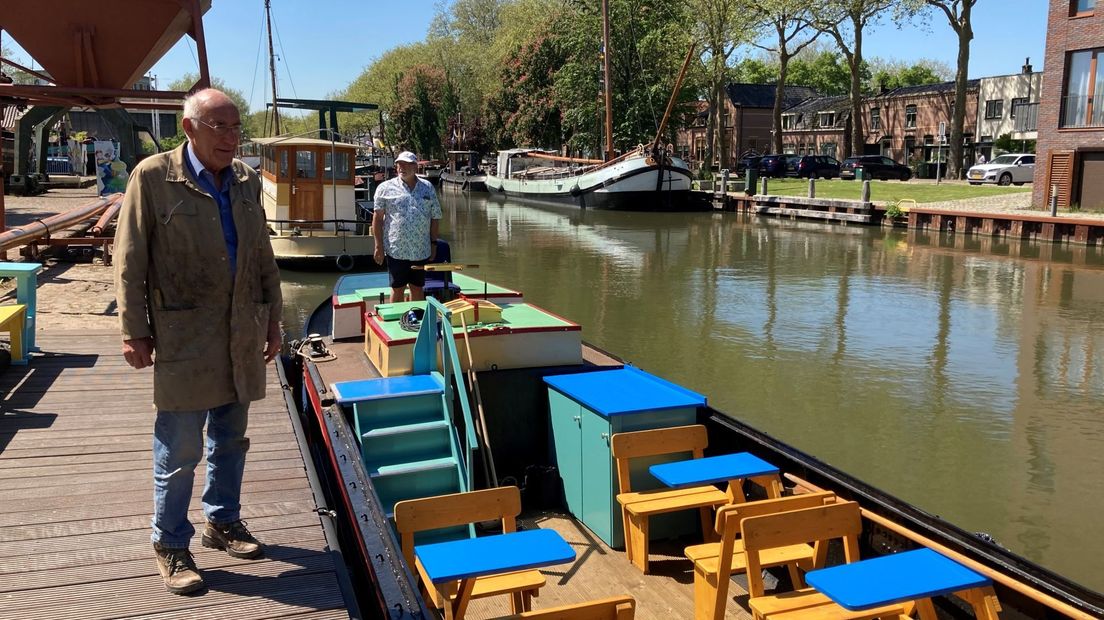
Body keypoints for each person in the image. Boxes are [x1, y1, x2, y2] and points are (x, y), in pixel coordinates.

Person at [113, 88, 283, 595]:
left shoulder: (248, 180)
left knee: (231, 439)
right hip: (184, 335)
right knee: (180, 448)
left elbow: (263, 257)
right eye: (220, 127)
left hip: (241, 332)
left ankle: (222, 522)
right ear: (189, 128)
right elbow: (129, 261)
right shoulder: (152, 177)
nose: (232, 138)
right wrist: (133, 331)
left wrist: (273, 321)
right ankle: (169, 542)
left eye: (237, 129)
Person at [372, 150, 443, 303]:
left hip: (420, 248)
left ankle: (415, 319)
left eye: (406, 164)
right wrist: (378, 246)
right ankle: (396, 321)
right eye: (399, 164)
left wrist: (434, 244)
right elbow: (377, 219)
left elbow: (435, 217)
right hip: (396, 248)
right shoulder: (384, 188)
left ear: (415, 167)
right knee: (397, 287)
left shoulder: (428, 188)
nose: (402, 168)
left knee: (417, 287)